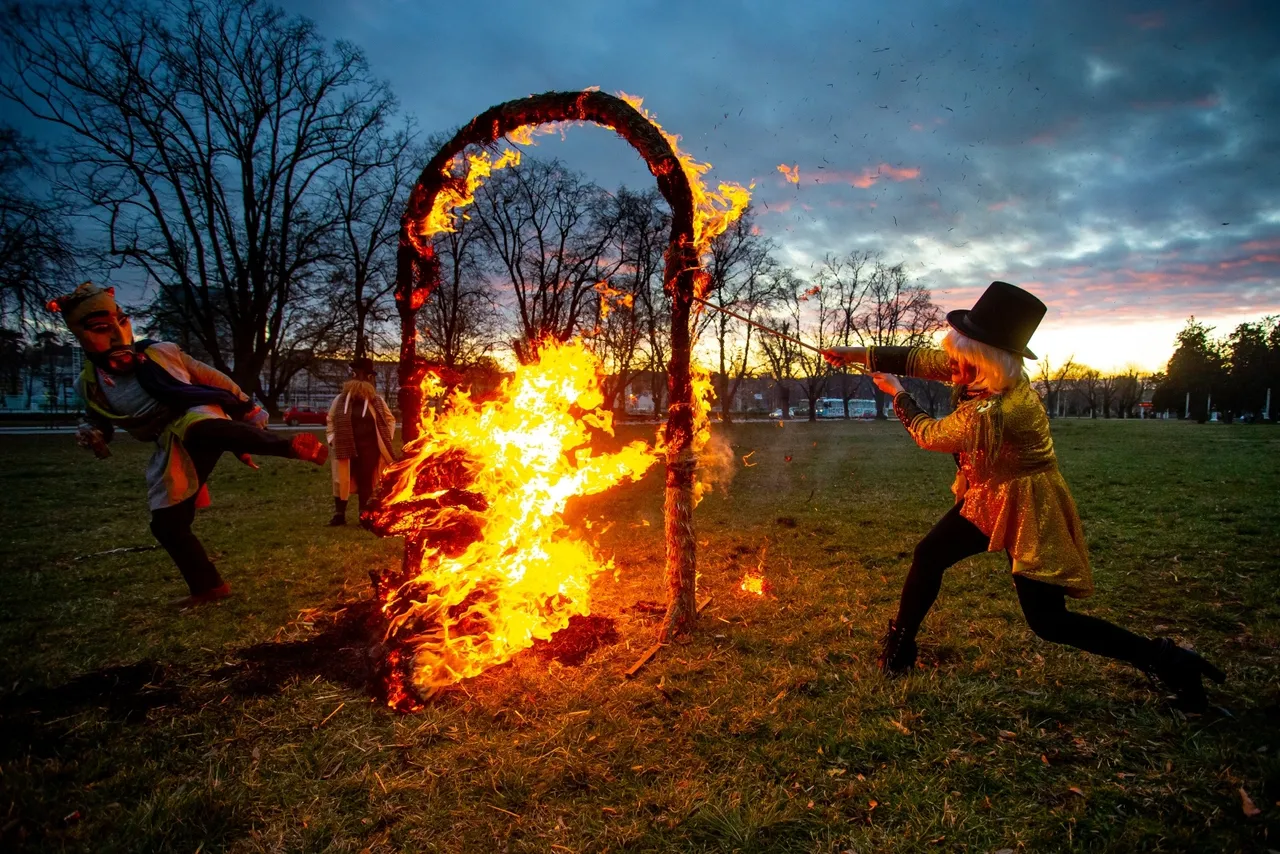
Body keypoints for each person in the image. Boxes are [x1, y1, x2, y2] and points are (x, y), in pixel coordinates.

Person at [823, 281, 1225, 711]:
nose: (950, 363)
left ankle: (1170, 661)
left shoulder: (996, 410)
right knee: (930, 555)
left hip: (1030, 506)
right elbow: (926, 359)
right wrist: (858, 356)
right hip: (989, 498)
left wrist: (897, 393)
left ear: (984, 360)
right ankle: (900, 650)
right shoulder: (990, 374)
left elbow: (931, 434)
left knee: (1049, 622)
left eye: (960, 355)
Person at [50, 282, 329, 608]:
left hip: (195, 412)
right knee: (166, 525)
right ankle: (208, 586)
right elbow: (98, 419)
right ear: (79, 334)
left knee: (203, 429)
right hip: (168, 444)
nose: (116, 333)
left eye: (121, 320)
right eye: (100, 328)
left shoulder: (161, 352)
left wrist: (246, 407)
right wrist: (93, 433)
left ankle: (290, 446)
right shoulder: (88, 384)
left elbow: (210, 377)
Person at [325, 356, 397, 526]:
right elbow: (331, 419)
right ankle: (339, 514)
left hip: (369, 448)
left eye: (360, 374)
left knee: (366, 481)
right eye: (354, 373)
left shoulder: (376, 401)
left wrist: (386, 437)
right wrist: (332, 438)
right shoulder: (341, 400)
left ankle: (363, 516)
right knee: (341, 479)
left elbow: (390, 419)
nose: (356, 377)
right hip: (346, 446)